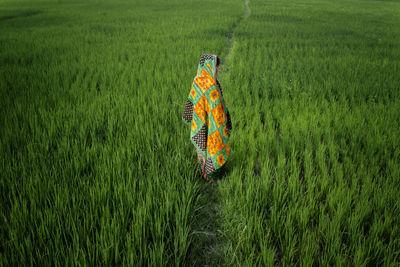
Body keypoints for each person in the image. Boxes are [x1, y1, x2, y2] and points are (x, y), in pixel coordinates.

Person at [182, 54, 232, 182]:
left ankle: (203, 171)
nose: (217, 70)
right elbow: (216, 107)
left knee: (203, 146)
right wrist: (221, 123)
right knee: (214, 146)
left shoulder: (197, 81)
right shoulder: (211, 85)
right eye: (216, 67)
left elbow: (191, 101)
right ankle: (212, 175)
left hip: (201, 121)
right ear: (209, 66)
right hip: (212, 123)